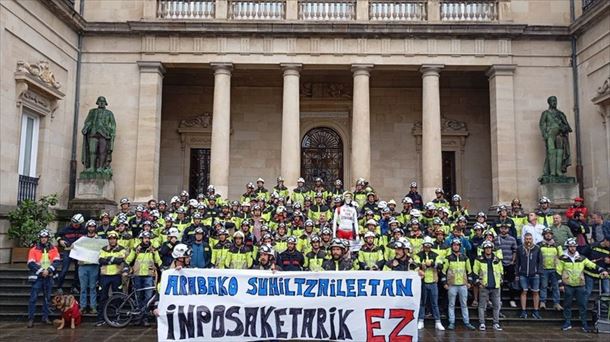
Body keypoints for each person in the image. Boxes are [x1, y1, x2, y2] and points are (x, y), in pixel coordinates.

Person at [557, 238, 609, 332]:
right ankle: (567, 323)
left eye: (574, 246)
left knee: (583, 305)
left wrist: (602, 270)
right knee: (567, 305)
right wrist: (560, 283)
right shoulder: (563, 258)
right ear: (567, 247)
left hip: (580, 285)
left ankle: (584, 324)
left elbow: (591, 265)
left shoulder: (582, 258)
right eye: (570, 246)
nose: (572, 248)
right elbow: (558, 271)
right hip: (568, 285)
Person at [125, 231, 162, 326]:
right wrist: (126, 267)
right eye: (145, 238)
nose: (147, 240)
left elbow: (158, 260)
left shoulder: (153, 250)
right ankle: (138, 318)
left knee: (148, 298)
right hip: (137, 275)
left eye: (148, 238)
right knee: (138, 297)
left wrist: (163, 268)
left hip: (149, 276)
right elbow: (129, 259)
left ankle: (145, 318)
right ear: (141, 239)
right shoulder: (136, 249)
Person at [27, 229, 61, 328]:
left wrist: (49, 270)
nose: (43, 239)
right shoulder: (33, 249)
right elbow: (31, 263)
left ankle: (45, 317)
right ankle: (31, 319)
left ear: (48, 238)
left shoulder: (53, 249)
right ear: (39, 238)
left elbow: (57, 261)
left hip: (49, 276)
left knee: (47, 298)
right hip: (37, 277)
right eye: (42, 237)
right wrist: (42, 271)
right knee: (33, 298)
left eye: (45, 237)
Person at [441, 238, 475, 331]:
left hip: (463, 285)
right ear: (452, 246)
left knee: (464, 304)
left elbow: (469, 271)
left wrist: (470, 282)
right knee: (451, 304)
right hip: (452, 285)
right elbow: (443, 271)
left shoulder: (465, 257)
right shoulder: (448, 258)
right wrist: (444, 283)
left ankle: (467, 322)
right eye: (454, 245)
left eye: (457, 245)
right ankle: (451, 322)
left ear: (460, 246)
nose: (456, 246)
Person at [96, 231, 128, 327]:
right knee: (102, 297)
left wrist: (109, 259)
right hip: (104, 276)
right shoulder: (103, 249)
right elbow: (101, 260)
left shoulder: (122, 249)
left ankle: (116, 318)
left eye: (114, 238)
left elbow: (120, 260)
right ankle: (101, 319)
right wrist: (113, 259)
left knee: (117, 297)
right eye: (110, 239)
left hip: (116, 276)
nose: (112, 240)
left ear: (117, 239)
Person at [473, 241, 504, 331]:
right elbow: (475, 272)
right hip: (484, 286)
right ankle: (482, 323)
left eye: (489, 248)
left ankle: (496, 323)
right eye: (486, 248)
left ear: (492, 249)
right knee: (482, 306)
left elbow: (501, 271)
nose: (488, 249)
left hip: (496, 286)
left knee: (496, 306)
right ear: (483, 249)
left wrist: (501, 280)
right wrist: (479, 282)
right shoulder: (479, 259)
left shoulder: (497, 259)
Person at [415, 236, 445, 331]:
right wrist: (422, 265)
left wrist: (431, 264)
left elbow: (440, 264)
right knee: (422, 302)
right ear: (423, 245)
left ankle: (438, 322)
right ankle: (420, 321)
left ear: (431, 245)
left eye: (429, 245)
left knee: (434, 303)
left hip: (433, 282)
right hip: (422, 282)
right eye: (425, 245)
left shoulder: (435, 255)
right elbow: (415, 264)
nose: (427, 247)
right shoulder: (418, 254)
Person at [55, 213, 86, 294]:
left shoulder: (84, 230)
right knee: (64, 269)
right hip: (68, 250)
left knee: (78, 270)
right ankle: (59, 286)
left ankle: (74, 286)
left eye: (76, 224)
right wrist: (60, 241)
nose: (74, 225)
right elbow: (57, 235)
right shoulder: (66, 229)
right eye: (73, 223)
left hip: (78, 252)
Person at [516, 233, 543, 319]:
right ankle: (523, 311)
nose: (528, 240)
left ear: (532, 239)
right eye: (527, 239)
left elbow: (540, 261)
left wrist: (538, 272)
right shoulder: (520, 248)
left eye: (530, 239)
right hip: (523, 274)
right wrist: (517, 273)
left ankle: (536, 311)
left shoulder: (537, 248)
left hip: (534, 274)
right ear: (524, 239)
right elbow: (517, 262)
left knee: (535, 292)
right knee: (524, 291)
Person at [79, 220, 102, 314]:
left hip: (94, 265)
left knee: (93, 287)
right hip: (83, 265)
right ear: (87, 227)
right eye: (89, 226)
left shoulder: (99, 238)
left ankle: (93, 306)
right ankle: (83, 306)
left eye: (93, 227)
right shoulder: (82, 239)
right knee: (83, 288)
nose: (91, 228)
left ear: (95, 228)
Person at [538, 227, 563, 311]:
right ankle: (542, 302)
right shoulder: (539, 245)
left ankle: (556, 303)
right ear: (543, 235)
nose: (548, 235)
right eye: (546, 234)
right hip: (543, 269)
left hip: (554, 269)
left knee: (555, 286)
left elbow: (561, 256)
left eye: (550, 234)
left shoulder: (557, 245)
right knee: (543, 286)